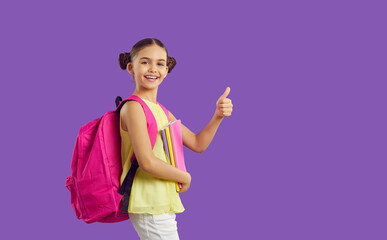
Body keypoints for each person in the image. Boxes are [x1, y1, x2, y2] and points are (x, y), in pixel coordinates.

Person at [118, 38, 233, 240]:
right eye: (145, 62)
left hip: (161, 201)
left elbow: (198, 144)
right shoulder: (134, 107)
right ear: (130, 67)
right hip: (149, 202)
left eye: (160, 63)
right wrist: (184, 176)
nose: (153, 69)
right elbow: (146, 161)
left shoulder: (161, 110)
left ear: (167, 69)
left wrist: (217, 116)